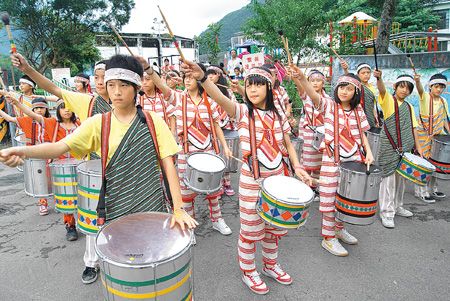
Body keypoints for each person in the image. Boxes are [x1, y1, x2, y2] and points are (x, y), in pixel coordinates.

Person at [4, 53, 198, 284]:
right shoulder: (99, 122)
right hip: (116, 207)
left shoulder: (153, 120)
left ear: (136, 88)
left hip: (151, 204)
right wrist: (23, 152)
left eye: (124, 85)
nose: (116, 91)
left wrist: (178, 208)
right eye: (111, 85)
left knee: (153, 266)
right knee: (124, 270)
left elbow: (168, 164)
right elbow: (59, 147)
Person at [182, 59, 313, 295]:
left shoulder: (278, 113)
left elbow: (288, 144)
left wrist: (297, 166)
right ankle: (248, 270)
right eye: (249, 85)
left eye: (258, 85)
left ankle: (270, 265)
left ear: (269, 89)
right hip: (252, 182)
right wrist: (203, 78)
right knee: (251, 230)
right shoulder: (241, 111)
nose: (252, 90)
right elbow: (219, 97)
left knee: (274, 228)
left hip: (279, 179)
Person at [135, 57, 233, 238]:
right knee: (186, 194)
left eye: (191, 77)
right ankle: (189, 227)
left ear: (199, 78)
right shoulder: (178, 99)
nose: (187, 80)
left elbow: (217, 125)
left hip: (208, 150)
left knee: (212, 191)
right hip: (185, 152)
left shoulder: (210, 102)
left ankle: (217, 219)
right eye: (184, 77)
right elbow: (161, 85)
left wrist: (225, 146)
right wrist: (148, 68)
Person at [6, 95, 80, 240]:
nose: (66, 110)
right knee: (67, 198)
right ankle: (70, 226)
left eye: (69, 108)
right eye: (63, 107)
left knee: (83, 197)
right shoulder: (52, 123)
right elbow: (33, 115)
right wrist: (17, 104)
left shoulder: (79, 124)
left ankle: (86, 223)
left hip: (80, 164)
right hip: (61, 168)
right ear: (58, 109)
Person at [318, 73, 374, 257]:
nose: (344, 91)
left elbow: (363, 134)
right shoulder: (328, 105)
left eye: (349, 89)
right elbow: (311, 94)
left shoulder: (358, 110)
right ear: (336, 88)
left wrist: (369, 153)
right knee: (328, 197)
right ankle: (328, 237)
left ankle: (339, 229)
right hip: (332, 160)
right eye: (341, 87)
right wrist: (300, 79)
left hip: (354, 159)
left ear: (355, 92)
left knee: (345, 196)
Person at [374, 70, 422, 229]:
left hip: (405, 149)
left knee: (401, 180)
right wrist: (379, 78)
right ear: (395, 87)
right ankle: (386, 212)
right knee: (389, 180)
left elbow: (414, 128)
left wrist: (419, 147)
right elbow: (381, 89)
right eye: (402, 87)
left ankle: (397, 206)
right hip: (389, 146)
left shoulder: (409, 107)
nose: (404, 90)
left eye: (408, 88)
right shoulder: (388, 100)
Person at [0, 97, 54, 215]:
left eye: (42, 108)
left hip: (51, 153)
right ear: (32, 110)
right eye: (36, 108)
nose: (39, 110)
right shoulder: (27, 120)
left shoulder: (52, 121)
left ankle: (60, 199)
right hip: (36, 154)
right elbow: (9, 118)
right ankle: (43, 202)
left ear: (46, 109)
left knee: (53, 178)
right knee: (40, 180)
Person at [290, 67, 332, 195]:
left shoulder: (328, 99)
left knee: (320, 162)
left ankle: (318, 187)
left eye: (318, 80)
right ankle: (306, 187)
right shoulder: (306, 96)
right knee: (307, 161)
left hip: (322, 133)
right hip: (308, 133)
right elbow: (300, 85)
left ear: (323, 83)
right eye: (312, 80)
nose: (315, 83)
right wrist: (295, 77)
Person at [414, 73, 449, 203]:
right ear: (430, 86)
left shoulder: (443, 101)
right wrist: (417, 81)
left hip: (438, 136)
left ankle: (433, 188)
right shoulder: (424, 97)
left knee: (435, 163)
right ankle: (421, 191)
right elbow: (420, 89)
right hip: (423, 136)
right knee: (424, 164)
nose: (439, 89)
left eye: (441, 87)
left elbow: (444, 119)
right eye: (436, 86)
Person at [206, 65, 238, 196]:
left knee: (226, 155)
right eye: (207, 75)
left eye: (212, 74)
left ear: (218, 75)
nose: (210, 77)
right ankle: (216, 185)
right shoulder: (204, 91)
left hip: (227, 128)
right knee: (215, 157)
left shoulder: (228, 92)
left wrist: (224, 118)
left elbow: (233, 108)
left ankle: (227, 183)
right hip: (212, 129)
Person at [342, 61, 381, 128]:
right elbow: (350, 79)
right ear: (358, 74)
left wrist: (376, 118)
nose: (366, 74)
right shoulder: (356, 86)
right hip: (357, 114)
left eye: (368, 72)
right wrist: (345, 69)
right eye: (363, 73)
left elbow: (373, 104)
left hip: (370, 115)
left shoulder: (373, 87)